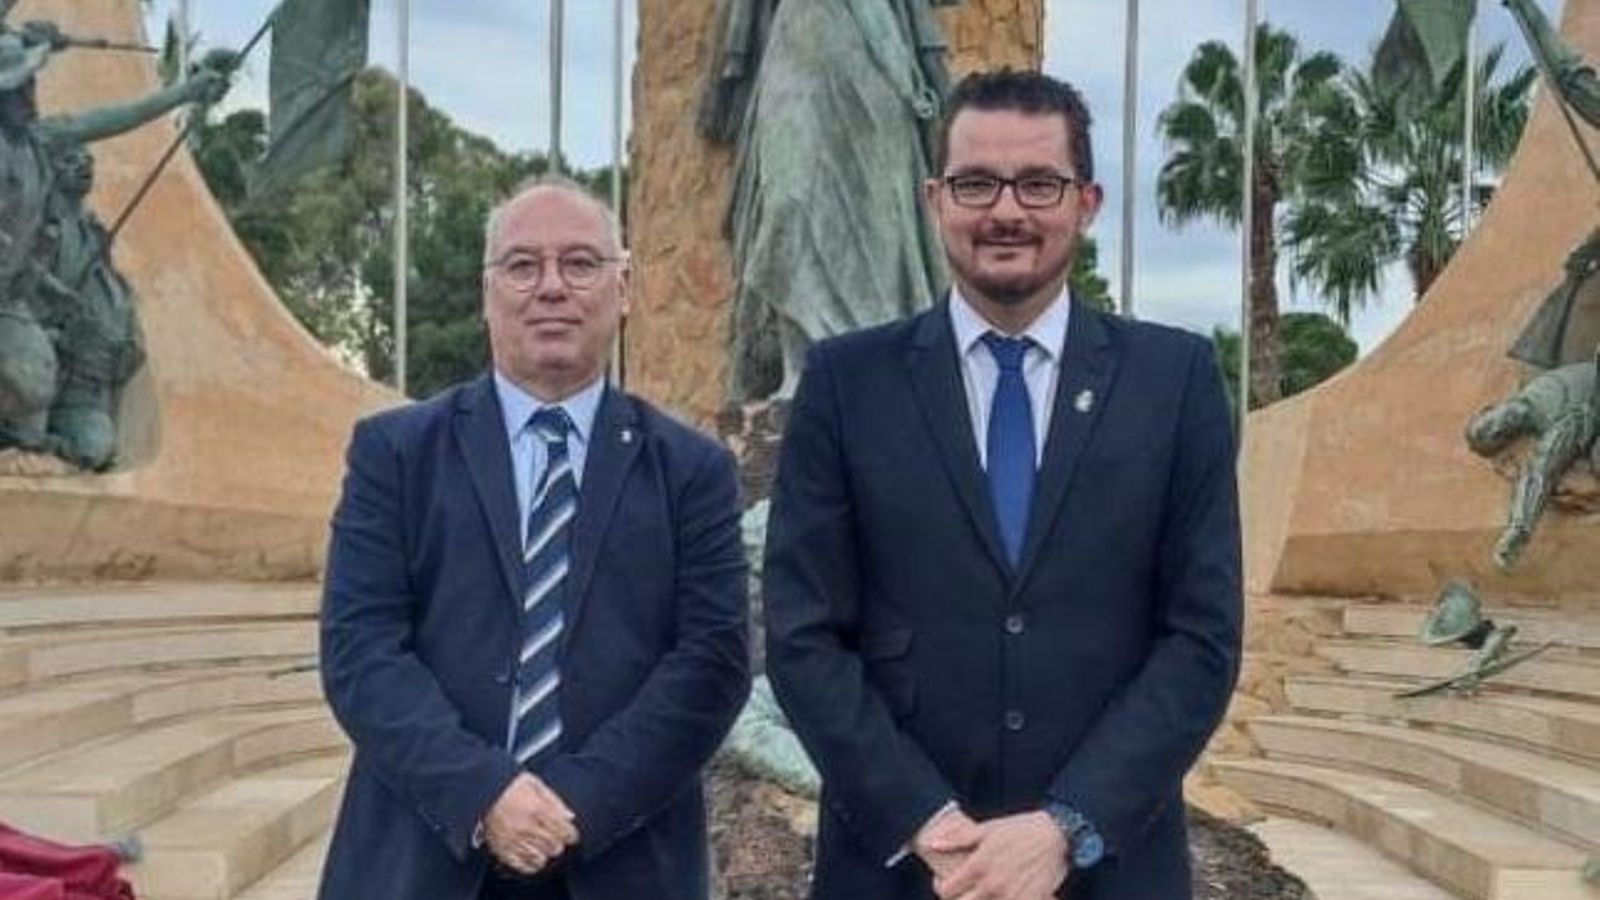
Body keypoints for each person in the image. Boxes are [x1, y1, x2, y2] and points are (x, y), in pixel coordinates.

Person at [763, 70, 1243, 900]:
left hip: (1112, 869)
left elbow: (1200, 639)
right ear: (935, 197)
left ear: (1086, 202)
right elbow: (804, 637)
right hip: (903, 869)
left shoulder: (1177, 381)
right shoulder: (847, 383)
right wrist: (924, 819)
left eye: (1039, 184)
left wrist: (1067, 826)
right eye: (976, 183)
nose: (1006, 211)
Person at [317, 177, 751, 900]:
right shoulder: (394, 453)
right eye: (523, 265)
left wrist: (570, 804)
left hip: (622, 861)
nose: (551, 287)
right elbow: (361, 651)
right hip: (421, 861)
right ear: (487, 292)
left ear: (626, 287)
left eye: (581, 264)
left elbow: (712, 662)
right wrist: (486, 793)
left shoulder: (693, 470)